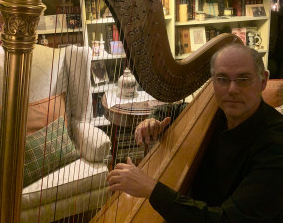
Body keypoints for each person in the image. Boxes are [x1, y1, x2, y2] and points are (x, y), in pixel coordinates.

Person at [107, 43, 283, 222]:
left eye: (243, 79)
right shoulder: (215, 113)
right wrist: (152, 120)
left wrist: (151, 188)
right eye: (222, 79)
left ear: (263, 80)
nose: (232, 90)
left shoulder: (276, 145)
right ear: (212, 82)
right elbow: (169, 111)